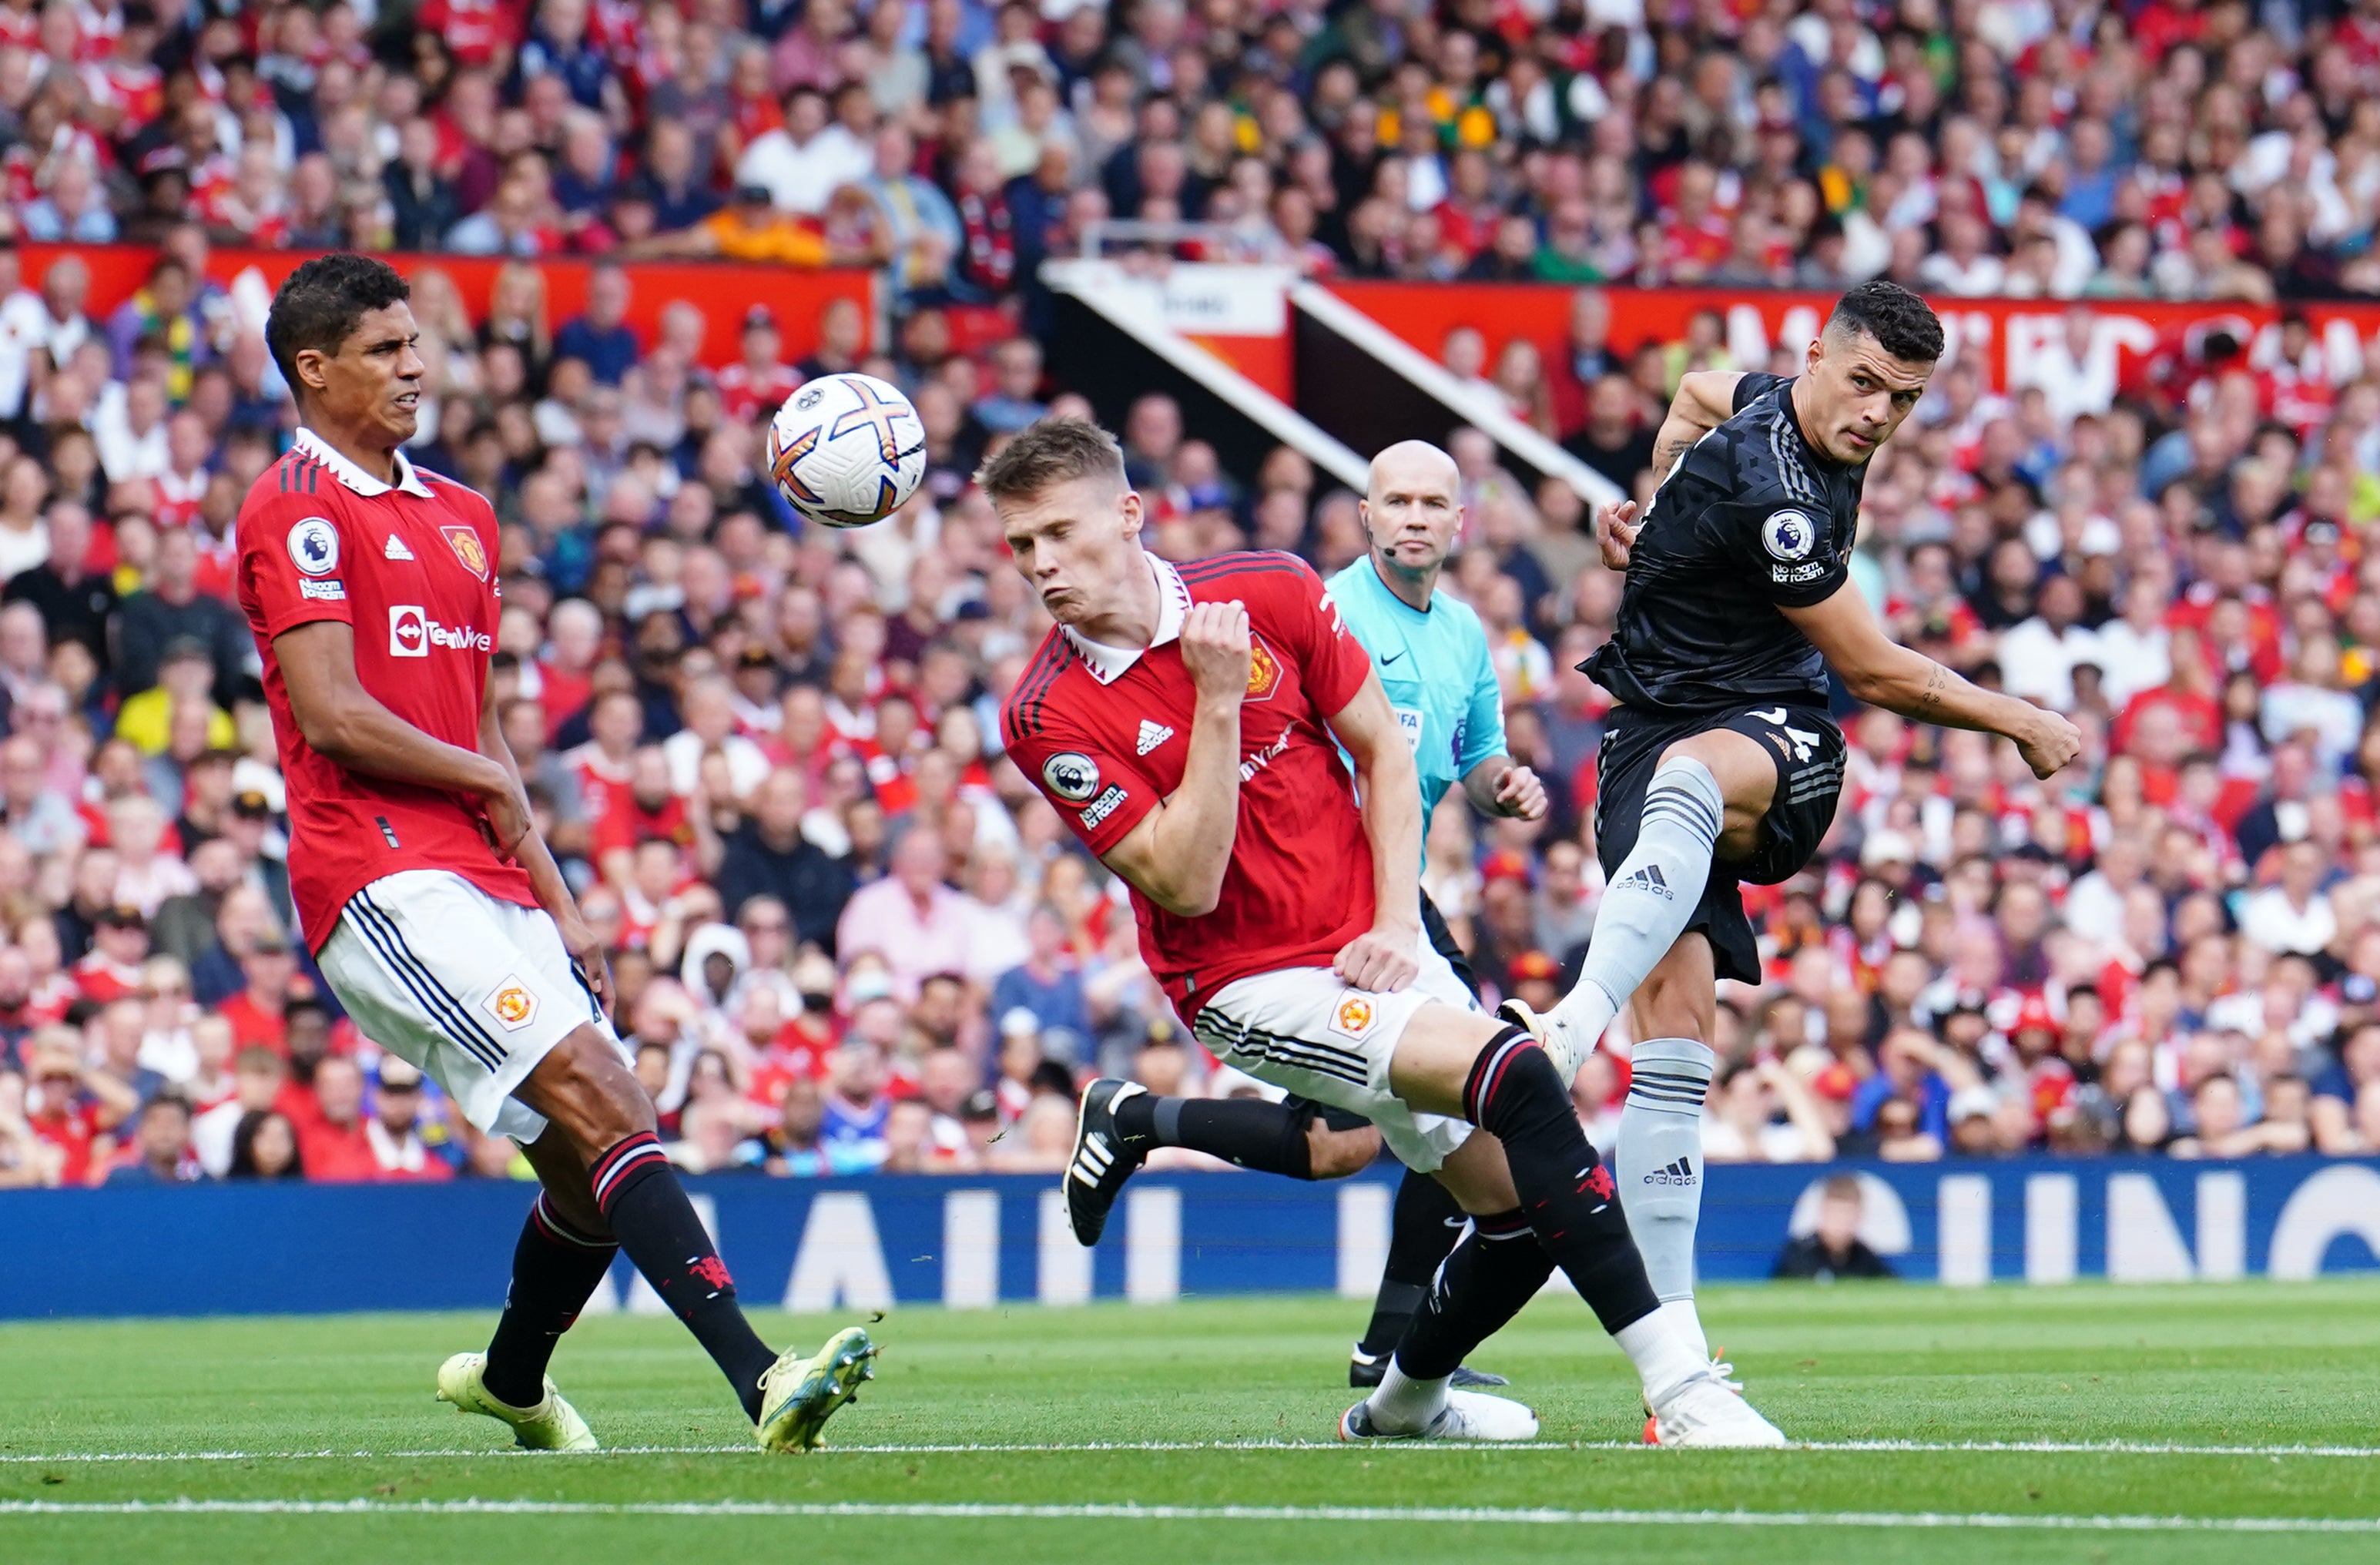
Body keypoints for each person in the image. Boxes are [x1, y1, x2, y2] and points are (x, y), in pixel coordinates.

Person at [986, 416, 1777, 1446]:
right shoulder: (1044, 713)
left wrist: (1397, 920)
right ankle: (1681, 1387)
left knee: (1520, 1215)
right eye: (1020, 546)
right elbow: (1182, 882)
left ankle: (1403, 1407)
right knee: (1519, 1075)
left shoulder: (1267, 587)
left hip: (1371, 936)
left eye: (1060, 533)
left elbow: (1384, 754)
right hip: (1247, 981)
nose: (1043, 564)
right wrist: (1218, 704)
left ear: (1128, 515)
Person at [232, 255, 870, 1456]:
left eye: (417, 342)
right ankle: (762, 1378)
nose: (416, 364)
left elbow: (478, 726)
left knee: (586, 1162)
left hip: (483, 870)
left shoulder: (464, 519)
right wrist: (484, 785)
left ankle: (513, 1379)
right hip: (372, 876)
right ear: (314, 371)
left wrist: (562, 899)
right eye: (384, 349)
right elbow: (330, 713)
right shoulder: (291, 506)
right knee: (603, 1089)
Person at [1497, 282, 2080, 1435]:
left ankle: (1567, 1024)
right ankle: (1678, 1379)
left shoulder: (1772, 403)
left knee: (1696, 778)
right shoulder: (1781, 496)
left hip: (1777, 736)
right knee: (1676, 1031)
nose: (1876, 415)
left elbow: (1692, 389)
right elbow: (1879, 670)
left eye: (1901, 401)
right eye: (1861, 383)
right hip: (1649, 727)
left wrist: (1650, 498)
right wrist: (2018, 717)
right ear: (1819, 356)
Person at [1063, 440, 1548, 1393]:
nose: (1413, 517)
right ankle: (1402, 1340)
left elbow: (1474, 755)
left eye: (1431, 503)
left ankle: (1141, 1123)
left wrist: (1505, 784)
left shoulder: (1463, 633)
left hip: (1393, 902)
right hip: (1327, 910)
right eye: (1394, 501)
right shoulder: (1317, 605)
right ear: (1364, 518)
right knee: (1441, 1107)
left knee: (1362, 1140)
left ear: (1461, 523)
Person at [1772, 1176, 1895, 1281]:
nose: (1841, 1223)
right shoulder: (1799, 1254)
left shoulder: (1864, 1256)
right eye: (1835, 1214)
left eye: (1848, 1215)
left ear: (1859, 1217)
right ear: (1823, 1212)